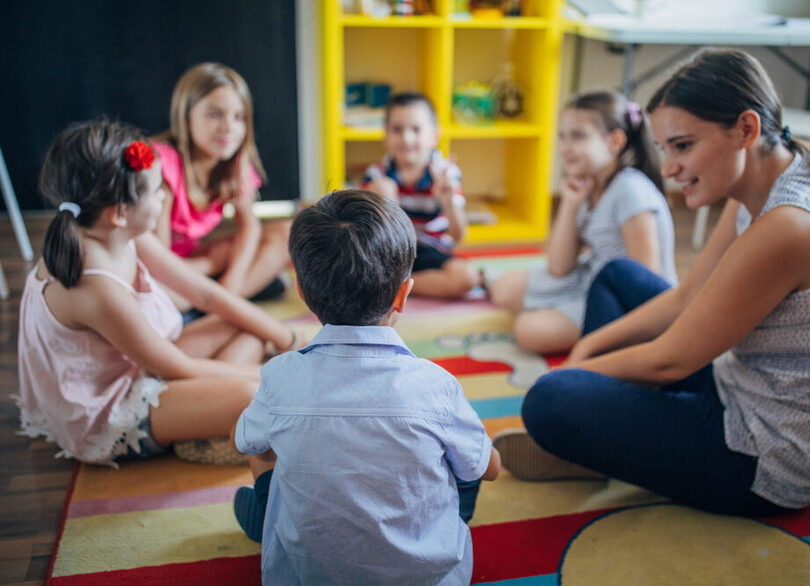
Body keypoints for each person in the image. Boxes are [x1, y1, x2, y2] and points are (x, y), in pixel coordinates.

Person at [493, 49, 810, 516]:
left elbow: (668, 362)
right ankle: (609, 433)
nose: (670, 169)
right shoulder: (767, 181)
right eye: (664, 149)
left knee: (549, 400)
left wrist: (574, 374)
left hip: (763, 459)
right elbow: (686, 297)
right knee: (616, 277)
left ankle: (602, 435)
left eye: (683, 145)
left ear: (746, 130)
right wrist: (584, 353)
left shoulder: (790, 226)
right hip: (735, 383)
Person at [231, 190, 502, 584]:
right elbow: (489, 469)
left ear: (303, 293)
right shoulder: (436, 385)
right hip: (425, 578)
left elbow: (246, 443)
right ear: (403, 295)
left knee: (265, 440)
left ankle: (269, 514)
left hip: (308, 574)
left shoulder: (280, 375)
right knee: (462, 460)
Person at [16, 120, 299, 468]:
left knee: (250, 328)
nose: (164, 197)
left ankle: (206, 419)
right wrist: (281, 375)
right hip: (116, 408)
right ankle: (206, 421)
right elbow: (174, 365)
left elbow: (207, 296)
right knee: (255, 395)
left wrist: (288, 340)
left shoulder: (118, 232)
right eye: (155, 192)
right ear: (119, 213)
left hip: (141, 366)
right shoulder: (95, 286)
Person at [489, 91, 677, 355]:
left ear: (615, 141)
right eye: (562, 137)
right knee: (504, 289)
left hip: (622, 298)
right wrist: (570, 204)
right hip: (588, 278)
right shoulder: (589, 183)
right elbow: (559, 266)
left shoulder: (630, 190)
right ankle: (557, 311)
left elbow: (646, 281)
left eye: (577, 136)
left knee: (528, 330)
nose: (565, 147)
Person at [151, 62, 291, 313]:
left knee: (285, 233)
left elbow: (250, 227)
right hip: (160, 271)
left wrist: (232, 280)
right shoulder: (163, 164)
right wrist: (211, 263)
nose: (228, 127)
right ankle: (218, 307)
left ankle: (220, 305)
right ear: (186, 115)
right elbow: (157, 260)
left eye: (238, 117)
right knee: (164, 287)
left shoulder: (234, 166)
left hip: (194, 269)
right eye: (215, 114)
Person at [363, 91, 481, 299]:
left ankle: (396, 287)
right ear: (385, 135)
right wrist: (384, 200)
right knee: (382, 188)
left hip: (431, 250)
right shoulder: (377, 174)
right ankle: (396, 283)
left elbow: (458, 236)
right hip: (391, 253)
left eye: (416, 129)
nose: (407, 138)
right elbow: (368, 234)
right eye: (397, 129)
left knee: (467, 278)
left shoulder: (445, 174)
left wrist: (449, 202)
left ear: (434, 136)